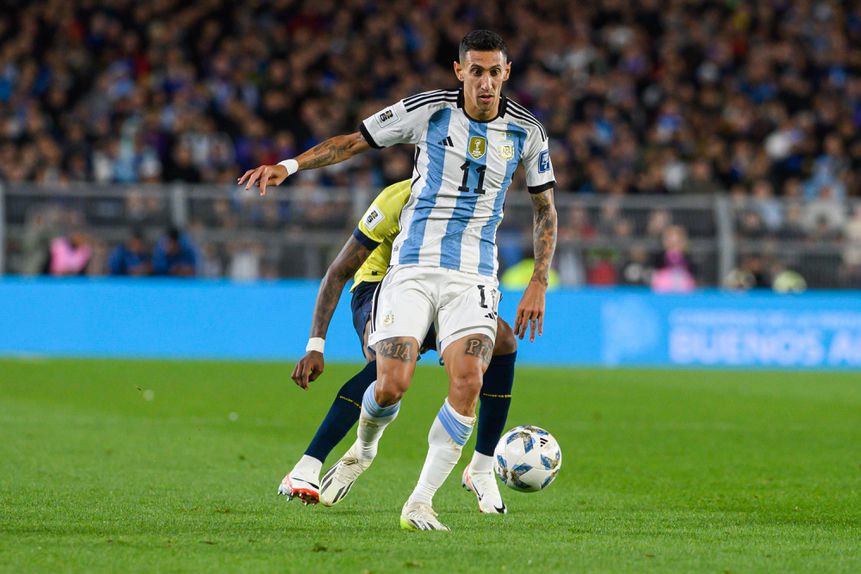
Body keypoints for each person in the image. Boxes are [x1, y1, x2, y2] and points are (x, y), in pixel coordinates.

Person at [239, 30, 557, 531]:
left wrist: (539, 279)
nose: (486, 83)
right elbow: (351, 143)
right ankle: (363, 451)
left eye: (495, 72)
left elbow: (544, 209)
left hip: (474, 275)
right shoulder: (428, 110)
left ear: (507, 73)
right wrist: (289, 165)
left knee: (469, 380)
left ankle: (420, 502)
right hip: (411, 269)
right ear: (460, 71)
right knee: (390, 384)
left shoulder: (527, 131)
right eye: (476, 71)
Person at [277, 180, 519, 515]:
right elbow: (338, 271)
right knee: (385, 370)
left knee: (503, 340)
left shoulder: (477, 198)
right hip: (380, 285)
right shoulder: (398, 199)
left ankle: (481, 466)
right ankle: (311, 463)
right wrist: (315, 345)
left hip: (442, 288)